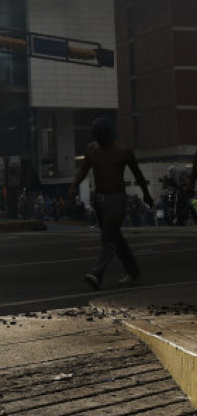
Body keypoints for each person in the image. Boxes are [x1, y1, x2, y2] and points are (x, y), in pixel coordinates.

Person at [68, 118, 153, 290]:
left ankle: (96, 273)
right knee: (115, 237)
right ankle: (133, 272)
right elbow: (83, 169)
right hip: (99, 198)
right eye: (96, 135)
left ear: (109, 133)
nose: (99, 138)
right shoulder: (92, 149)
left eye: (102, 134)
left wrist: (146, 194)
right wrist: (73, 186)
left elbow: (137, 174)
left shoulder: (123, 151)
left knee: (108, 238)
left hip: (116, 198)